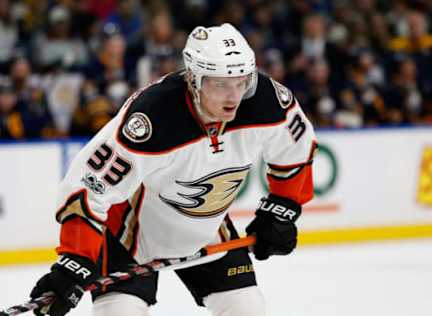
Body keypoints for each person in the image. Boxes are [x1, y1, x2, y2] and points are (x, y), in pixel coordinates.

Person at [29, 23, 317, 316]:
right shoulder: (152, 118)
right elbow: (89, 185)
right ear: (194, 79)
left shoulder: (267, 101)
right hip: (131, 240)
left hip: (207, 230)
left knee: (248, 309)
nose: (233, 97)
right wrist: (74, 261)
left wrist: (281, 207)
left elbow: (297, 148)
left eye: (242, 82)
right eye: (220, 84)